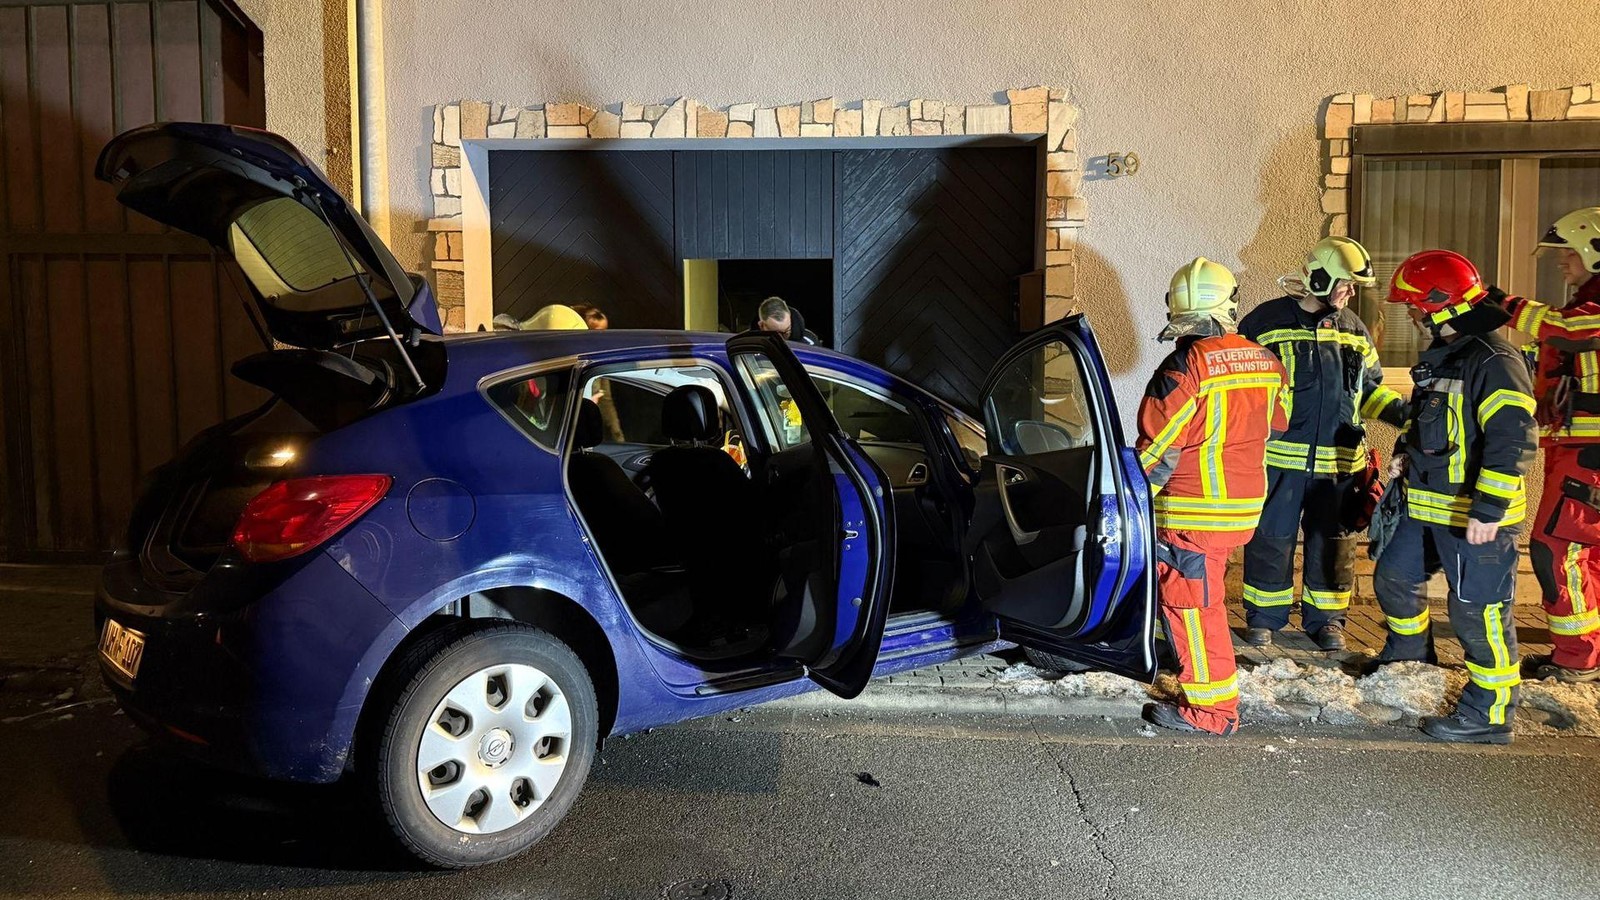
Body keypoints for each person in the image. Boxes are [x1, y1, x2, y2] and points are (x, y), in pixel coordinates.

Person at [1371, 250, 1536, 744]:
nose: (1413, 316)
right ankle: (1408, 657)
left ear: (1443, 305)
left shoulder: (1495, 361)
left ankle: (1489, 713)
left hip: (1475, 517)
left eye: (1417, 307)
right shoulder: (1449, 355)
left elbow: (1513, 440)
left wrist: (1489, 509)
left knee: (1477, 612)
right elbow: (1434, 424)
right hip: (1428, 505)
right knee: (1394, 578)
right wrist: (1404, 455)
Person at [1136, 258, 1289, 735]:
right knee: (1207, 603)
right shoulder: (1266, 360)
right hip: (1242, 507)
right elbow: (1280, 420)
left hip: (1192, 509)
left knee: (1193, 608)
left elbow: (1157, 453)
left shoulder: (1186, 365)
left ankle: (1211, 712)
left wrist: (1121, 492)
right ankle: (1204, 686)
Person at [1237, 237, 1408, 651]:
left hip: (1339, 464)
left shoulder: (1353, 329)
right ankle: (1264, 618)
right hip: (1278, 461)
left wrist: (1406, 415)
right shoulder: (1265, 323)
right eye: (1345, 284)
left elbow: (1369, 391)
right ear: (1319, 277)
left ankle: (1327, 621)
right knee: (1270, 539)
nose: (1350, 293)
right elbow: (1242, 391)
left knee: (1333, 545)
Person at [1492, 208, 1600, 683]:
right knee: (1585, 555)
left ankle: (1576, 659)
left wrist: (1499, 303)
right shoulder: (1586, 304)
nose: (1562, 263)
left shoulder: (1587, 314)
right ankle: (1586, 654)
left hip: (1589, 454)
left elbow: (1566, 331)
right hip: (1579, 449)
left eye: (1568, 254)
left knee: (1555, 549)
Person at [753, 296, 819, 344]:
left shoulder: (810, 344)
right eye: (776, 334)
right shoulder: (749, 344)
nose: (782, 339)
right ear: (761, 325)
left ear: (790, 316)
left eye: (787, 332)